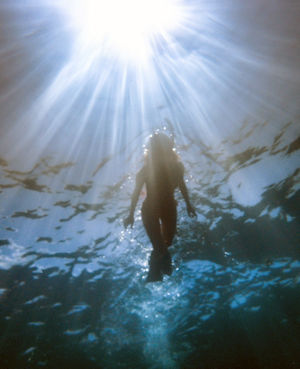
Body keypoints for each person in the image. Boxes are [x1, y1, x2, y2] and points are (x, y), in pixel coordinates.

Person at [124, 132, 196, 282]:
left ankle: (156, 265)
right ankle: (154, 272)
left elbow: (182, 186)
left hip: (170, 207)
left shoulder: (177, 167)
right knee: (160, 246)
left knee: (167, 243)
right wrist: (130, 214)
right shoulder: (145, 171)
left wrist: (189, 205)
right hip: (150, 209)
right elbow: (136, 193)